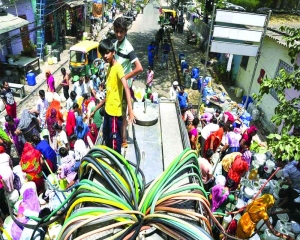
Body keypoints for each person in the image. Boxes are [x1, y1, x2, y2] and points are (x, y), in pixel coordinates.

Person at [90, 39, 135, 154]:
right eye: (103, 53)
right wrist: (95, 109)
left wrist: (130, 110)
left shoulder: (118, 67)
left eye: (107, 52)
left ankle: (116, 166)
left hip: (115, 113)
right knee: (107, 138)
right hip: (108, 112)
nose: (105, 56)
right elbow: (110, 94)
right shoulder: (109, 68)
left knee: (115, 143)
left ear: (113, 52)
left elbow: (126, 87)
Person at [113, 17, 143, 148]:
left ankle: (123, 138)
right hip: (116, 85)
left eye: (121, 32)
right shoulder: (116, 44)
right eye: (117, 31)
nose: (119, 34)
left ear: (125, 32)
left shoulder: (128, 47)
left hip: (125, 86)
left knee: (123, 113)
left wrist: (125, 77)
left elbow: (139, 68)